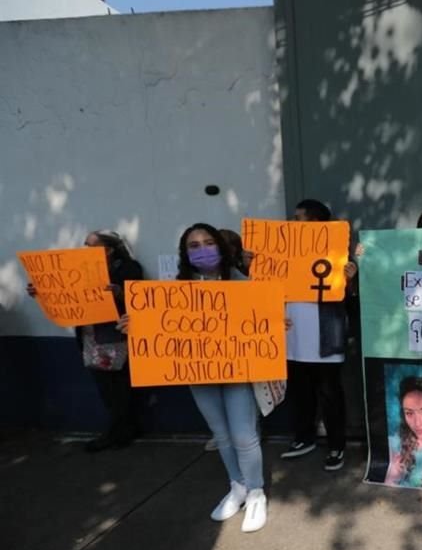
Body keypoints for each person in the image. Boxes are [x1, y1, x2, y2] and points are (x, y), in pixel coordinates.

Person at [119, 223, 268, 532]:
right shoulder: (174, 290)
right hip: (199, 373)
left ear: (221, 247)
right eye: (194, 245)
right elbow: (159, 325)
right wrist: (136, 326)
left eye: (208, 242)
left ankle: (256, 492)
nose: (202, 249)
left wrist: (276, 325)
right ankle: (237, 485)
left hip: (238, 371)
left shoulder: (246, 283)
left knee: (243, 434)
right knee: (221, 434)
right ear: (185, 254)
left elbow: (262, 320)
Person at [27, 230, 144, 452]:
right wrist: (41, 291)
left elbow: (138, 298)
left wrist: (119, 293)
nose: (86, 250)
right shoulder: (78, 270)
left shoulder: (128, 268)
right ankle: (124, 429)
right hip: (90, 336)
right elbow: (63, 290)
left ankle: (118, 432)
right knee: (105, 387)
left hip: (115, 336)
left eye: (92, 246)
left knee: (118, 387)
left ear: (108, 250)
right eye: (85, 245)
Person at [279, 199, 354, 470]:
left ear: (315, 223)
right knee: (300, 393)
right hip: (293, 335)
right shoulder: (284, 252)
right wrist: (252, 264)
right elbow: (264, 283)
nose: (293, 223)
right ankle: (304, 437)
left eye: (299, 218)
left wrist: (350, 279)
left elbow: (348, 297)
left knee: (330, 394)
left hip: (326, 336)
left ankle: (336, 445)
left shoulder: (338, 255)